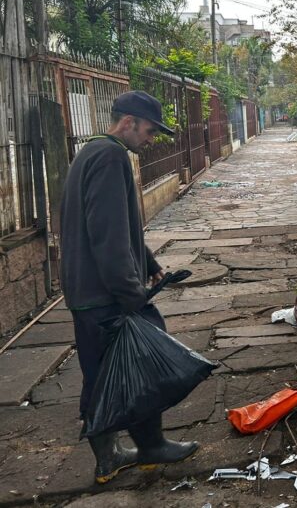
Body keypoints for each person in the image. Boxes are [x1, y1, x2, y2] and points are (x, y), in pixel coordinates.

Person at [60, 90, 198, 484]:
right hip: (103, 294)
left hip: (88, 291)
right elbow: (107, 235)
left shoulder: (91, 152)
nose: (151, 140)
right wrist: (130, 293)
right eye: (150, 131)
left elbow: (115, 225)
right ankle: (140, 448)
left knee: (107, 371)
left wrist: (148, 261)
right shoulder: (110, 156)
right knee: (140, 359)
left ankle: (117, 454)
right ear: (128, 123)